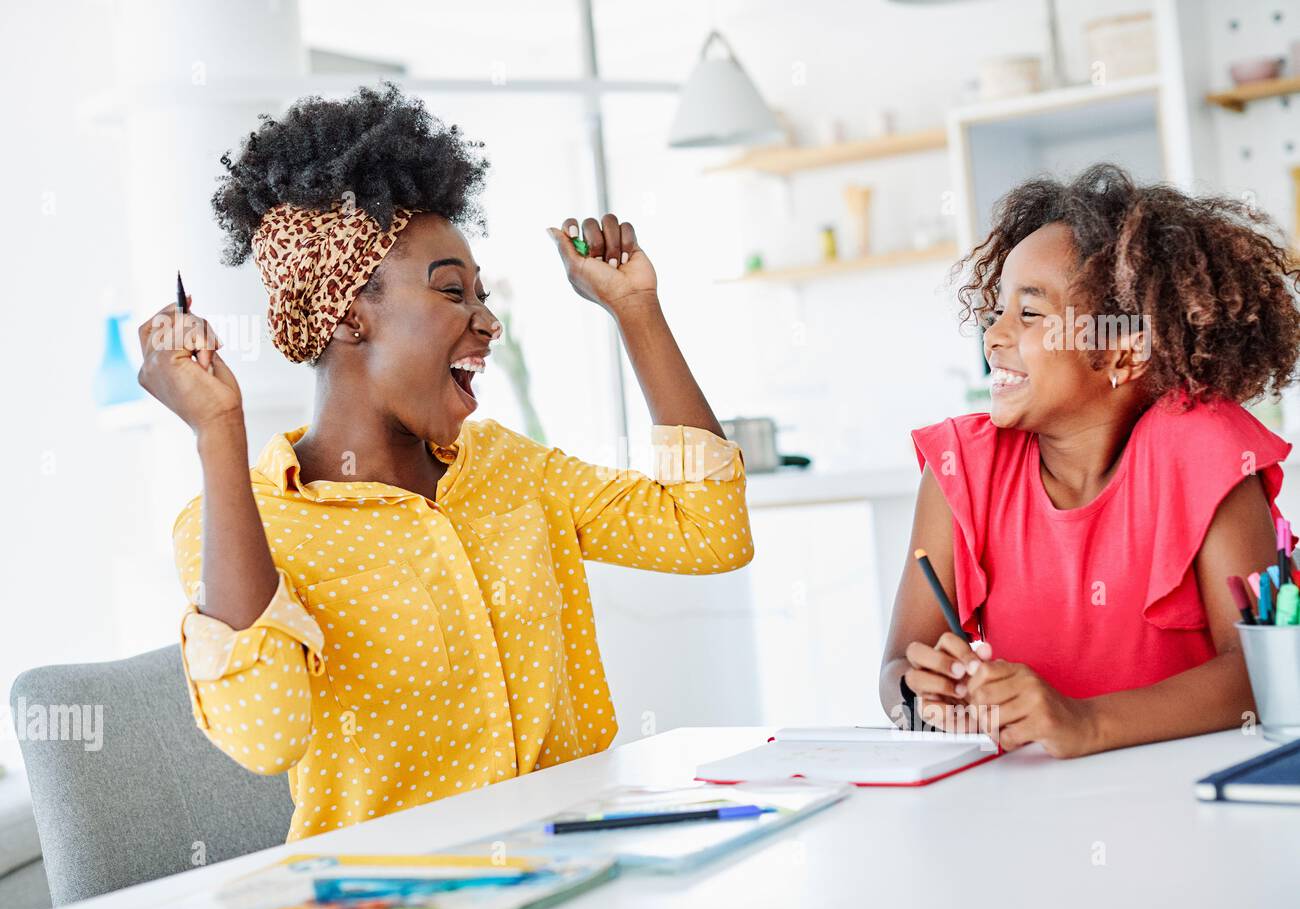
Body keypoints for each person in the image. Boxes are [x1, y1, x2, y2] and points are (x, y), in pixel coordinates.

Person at [137, 84, 753, 839]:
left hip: (577, 869)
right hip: (394, 903)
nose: (487, 321)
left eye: (482, 295)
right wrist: (218, 433)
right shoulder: (239, 521)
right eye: (453, 292)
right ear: (348, 314)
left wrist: (637, 312)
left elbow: (711, 533)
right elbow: (266, 736)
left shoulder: (507, 467)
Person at [881, 163, 1300, 757]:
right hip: (1027, 805)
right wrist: (924, 698)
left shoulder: (1204, 452)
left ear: (1123, 352)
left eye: (1029, 314)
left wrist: (1086, 722)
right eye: (996, 312)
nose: (994, 336)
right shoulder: (960, 469)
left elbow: (1264, 675)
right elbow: (897, 669)